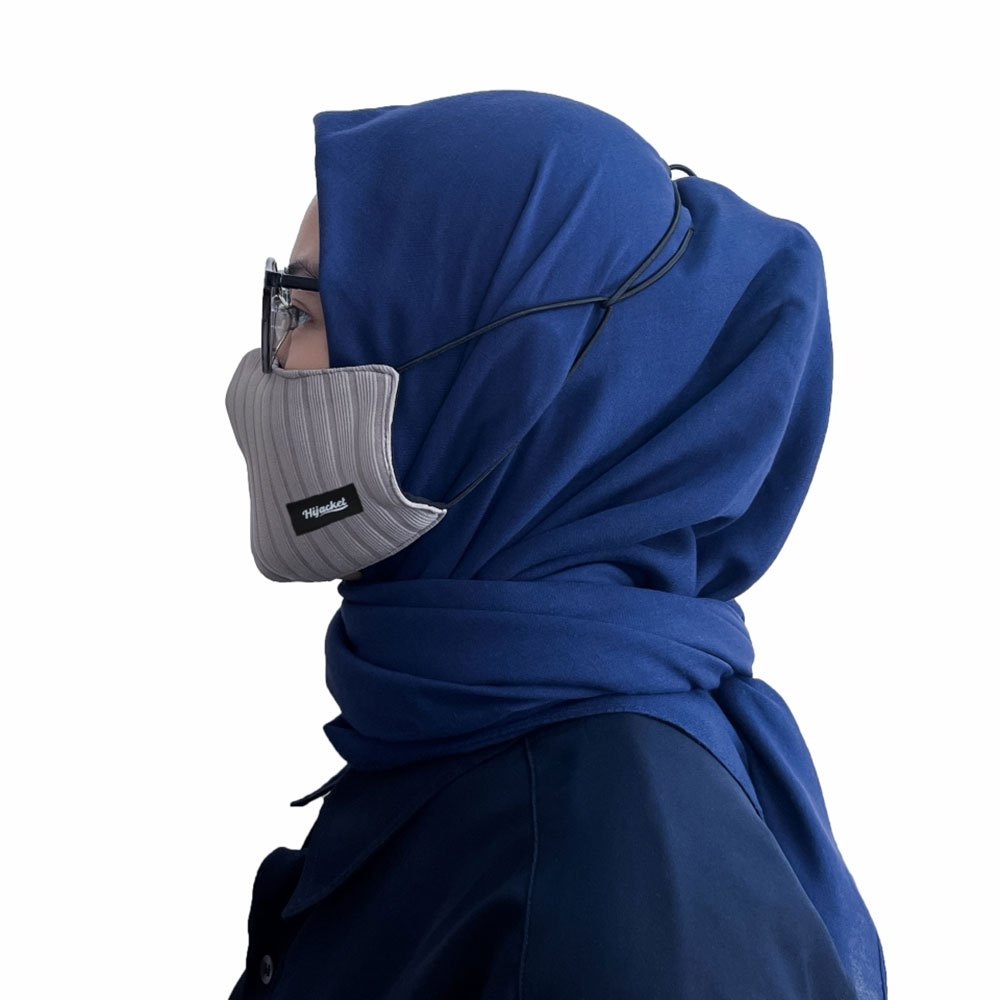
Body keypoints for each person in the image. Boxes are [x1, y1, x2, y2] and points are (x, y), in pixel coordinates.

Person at [224, 89, 887, 999]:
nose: (270, 364)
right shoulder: (456, 719)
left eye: (302, 311)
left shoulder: (615, 881)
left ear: (493, 376)